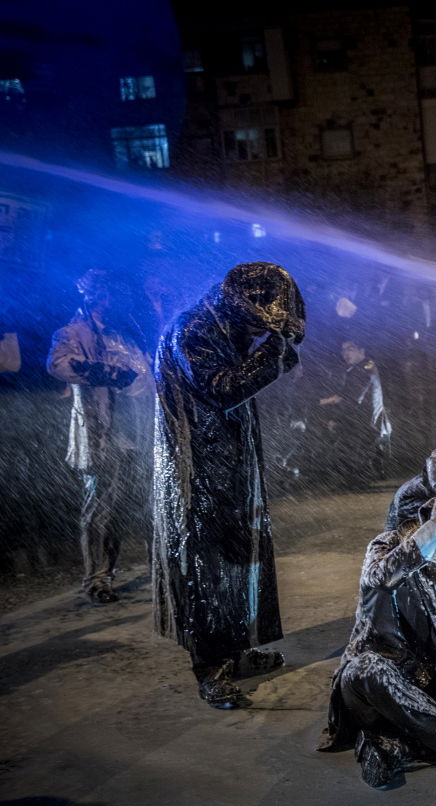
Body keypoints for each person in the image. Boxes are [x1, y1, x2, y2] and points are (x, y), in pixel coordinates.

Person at [152, 262, 304, 709]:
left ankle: (236, 649)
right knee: (206, 564)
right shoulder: (193, 330)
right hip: (196, 468)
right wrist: (271, 353)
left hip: (228, 461)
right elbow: (221, 389)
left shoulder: (223, 324)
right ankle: (210, 667)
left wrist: (273, 349)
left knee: (241, 554)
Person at [318, 493, 436, 788]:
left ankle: (391, 743)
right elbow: (379, 577)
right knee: (369, 668)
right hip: (370, 687)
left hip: (426, 687)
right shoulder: (388, 547)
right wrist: (433, 530)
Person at [46, 269, 152, 604]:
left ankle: (148, 566)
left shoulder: (126, 333)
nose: (115, 300)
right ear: (93, 296)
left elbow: (146, 375)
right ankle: (97, 579)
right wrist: (105, 371)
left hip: (134, 430)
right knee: (101, 506)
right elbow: (58, 364)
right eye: (108, 294)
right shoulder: (72, 332)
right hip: (101, 431)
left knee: (132, 503)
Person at [317, 339, 392, 484]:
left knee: (356, 451)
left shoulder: (364, 368)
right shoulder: (362, 367)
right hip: (366, 420)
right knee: (368, 451)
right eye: (343, 350)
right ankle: (370, 473)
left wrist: (324, 402)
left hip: (362, 420)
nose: (345, 353)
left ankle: (361, 478)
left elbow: (350, 397)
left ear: (361, 351)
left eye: (350, 349)